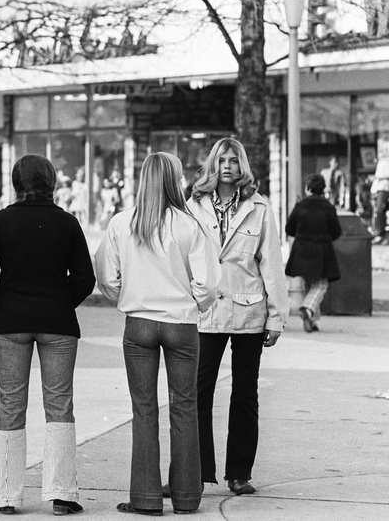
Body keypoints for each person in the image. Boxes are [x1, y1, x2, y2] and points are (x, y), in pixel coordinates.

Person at [0, 154, 96, 516]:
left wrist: (4, 301)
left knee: (10, 405)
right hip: (58, 324)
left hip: (10, 323)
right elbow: (85, 279)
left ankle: (6, 495)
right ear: (51, 182)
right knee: (59, 405)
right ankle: (61, 494)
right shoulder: (67, 223)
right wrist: (59, 302)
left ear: (15, 183)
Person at [95, 152, 219, 516]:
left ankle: (146, 500)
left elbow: (107, 277)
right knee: (185, 409)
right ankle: (185, 498)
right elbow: (208, 283)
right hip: (181, 324)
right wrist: (194, 304)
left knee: (144, 410)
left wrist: (131, 296)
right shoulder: (189, 224)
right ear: (174, 180)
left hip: (139, 324)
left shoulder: (122, 223)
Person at [187, 137, 288, 496]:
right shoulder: (193, 205)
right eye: (221, 160)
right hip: (206, 310)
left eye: (233, 160)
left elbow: (272, 264)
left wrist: (276, 317)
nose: (227, 165)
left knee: (245, 394)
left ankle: (239, 473)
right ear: (212, 165)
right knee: (198, 391)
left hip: (249, 311)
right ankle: (194, 471)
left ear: (242, 164)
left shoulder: (259, 208)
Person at [285, 174, 342, 333]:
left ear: (308, 188)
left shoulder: (300, 206)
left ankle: (313, 321)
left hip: (301, 250)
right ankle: (308, 309)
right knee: (321, 284)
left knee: (308, 284)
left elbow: (289, 229)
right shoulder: (328, 207)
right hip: (321, 250)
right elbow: (336, 231)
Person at [370, 156, 389, 244]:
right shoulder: (382, 160)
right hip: (379, 188)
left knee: (380, 210)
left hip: (385, 188)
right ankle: (382, 234)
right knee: (381, 210)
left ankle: (379, 234)